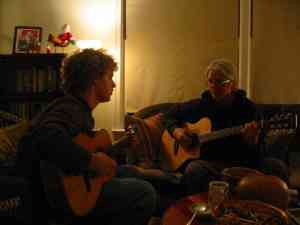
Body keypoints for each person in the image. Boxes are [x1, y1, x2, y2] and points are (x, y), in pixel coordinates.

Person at [15, 48, 157, 225]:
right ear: (94, 79)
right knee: (144, 193)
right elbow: (45, 136)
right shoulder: (68, 108)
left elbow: (83, 148)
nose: (113, 84)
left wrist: (120, 146)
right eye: (109, 77)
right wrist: (91, 161)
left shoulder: (76, 109)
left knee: (132, 172)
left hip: (74, 184)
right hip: (51, 198)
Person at [161, 58, 289, 195]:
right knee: (194, 170)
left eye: (220, 82)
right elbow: (168, 115)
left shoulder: (249, 109)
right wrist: (177, 132)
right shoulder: (200, 105)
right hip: (210, 163)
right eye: (210, 81)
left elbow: (259, 152)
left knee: (277, 167)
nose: (214, 86)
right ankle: (200, 211)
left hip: (241, 162)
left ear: (232, 84)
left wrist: (252, 142)